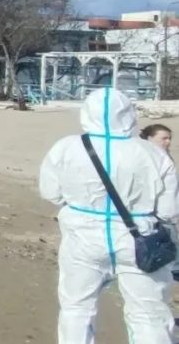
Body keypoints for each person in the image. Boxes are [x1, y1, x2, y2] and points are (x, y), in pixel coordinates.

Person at [39, 88, 179, 343]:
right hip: (139, 237)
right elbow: (169, 211)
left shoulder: (67, 147)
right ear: (129, 114)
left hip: (83, 236)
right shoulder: (152, 153)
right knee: (149, 314)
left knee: (77, 308)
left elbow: (51, 192)